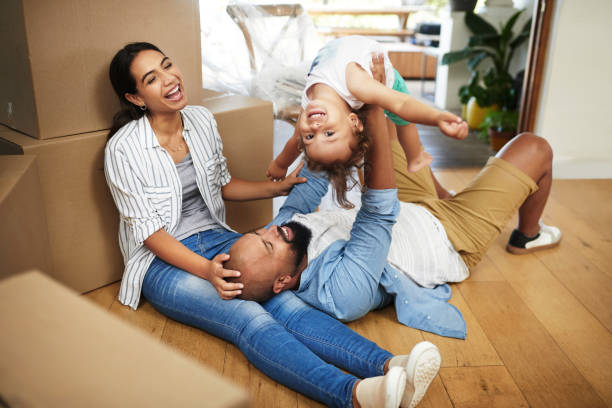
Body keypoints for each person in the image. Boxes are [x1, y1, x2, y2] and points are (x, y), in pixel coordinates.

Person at [104, 42, 441, 408]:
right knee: (247, 314)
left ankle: (391, 365)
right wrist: (207, 270)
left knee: (286, 303)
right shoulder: (123, 148)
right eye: (153, 79)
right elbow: (150, 234)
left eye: (168, 65)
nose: (169, 79)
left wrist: (277, 186)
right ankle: (356, 395)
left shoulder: (200, 120)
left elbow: (221, 185)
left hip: (219, 238)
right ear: (135, 97)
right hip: (163, 263)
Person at [226, 109, 562, 338]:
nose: (272, 229)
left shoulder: (286, 232)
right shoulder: (343, 294)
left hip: (408, 206)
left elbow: (313, 174)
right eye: (268, 244)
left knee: (383, 110)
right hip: (446, 235)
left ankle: (442, 192)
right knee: (535, 147)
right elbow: (377, 212)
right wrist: (367, 121)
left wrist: (319, 119)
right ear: (283, 281)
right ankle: (528, 235)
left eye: (259, 232)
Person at [266, 35, 468, 207]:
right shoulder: (357, 84)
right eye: (329, 134)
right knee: (403, 122)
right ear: (353, 120)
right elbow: (401, 104)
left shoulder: (310, 104)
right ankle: (415, 156)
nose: (315, 127)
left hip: (355, 56)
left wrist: (280, 165)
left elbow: (295, 142)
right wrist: (437, 117)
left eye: (310, 136)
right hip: (384, 80)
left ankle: (427, 174)